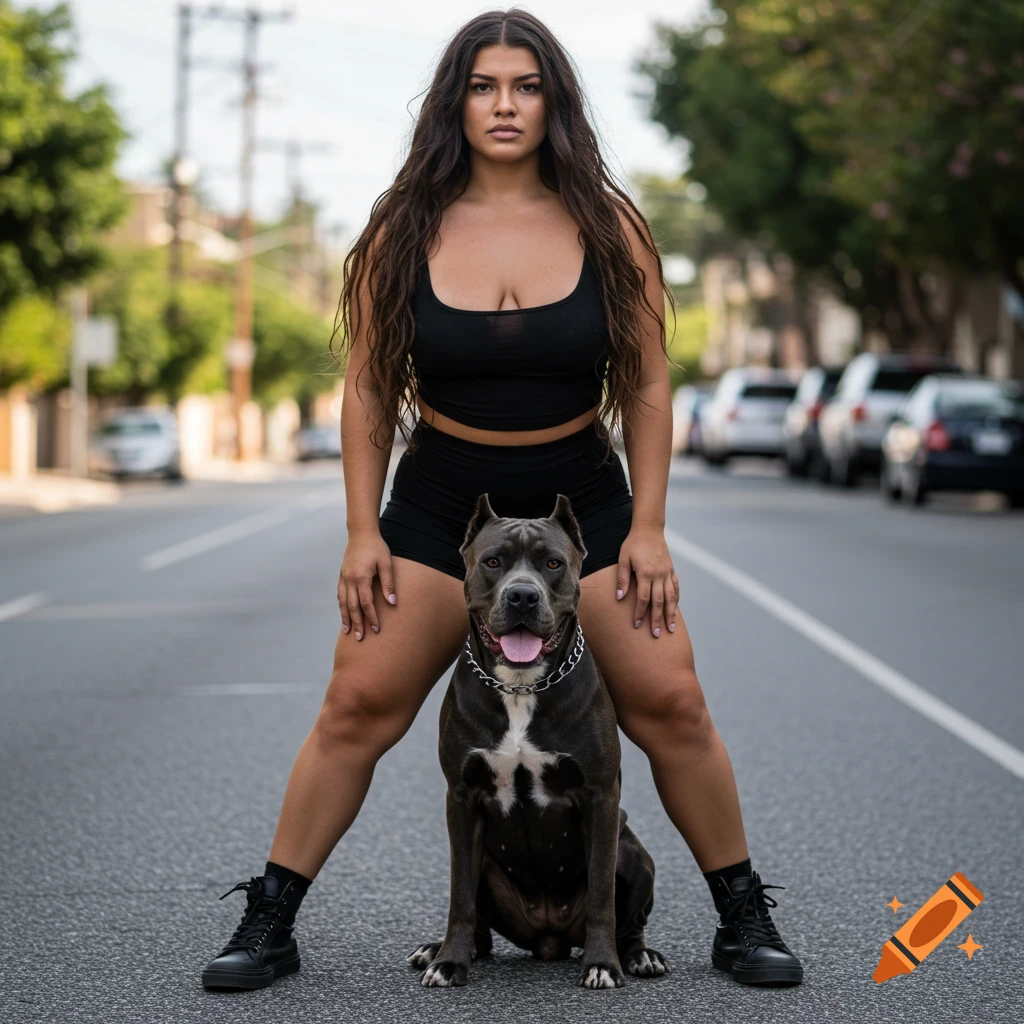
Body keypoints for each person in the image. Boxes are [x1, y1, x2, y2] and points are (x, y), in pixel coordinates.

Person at [202, 8, 803, 991]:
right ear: (455, 102)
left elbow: (648, 383)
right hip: (443, 501)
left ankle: (742, 913)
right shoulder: (404, 225)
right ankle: (271, 916)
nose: (505, 104)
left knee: (671, 698)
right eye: (484, 86)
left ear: (554, 100)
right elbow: (365, 387)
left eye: (526, 85)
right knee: (356, 702)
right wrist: (361, 530)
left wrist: (647, 526)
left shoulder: (611, 224)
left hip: (585, 501)